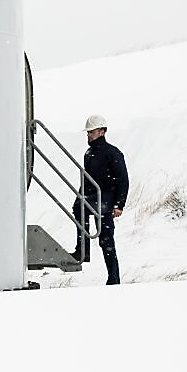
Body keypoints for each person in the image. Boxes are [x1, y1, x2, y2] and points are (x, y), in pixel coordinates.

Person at [71, 115, 129, 285]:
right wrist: (80, 196)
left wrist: (119, 204)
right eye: (88, 132)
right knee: (78, 208)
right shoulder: (89, 153)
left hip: (106, 200)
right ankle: (83, 249)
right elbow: (86, 179)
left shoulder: (113, 153)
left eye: (92, 132)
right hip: (91, 198)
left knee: (106, 241)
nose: (89, 135)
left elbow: (123, 180)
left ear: (102, 131)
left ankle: (114, 278)